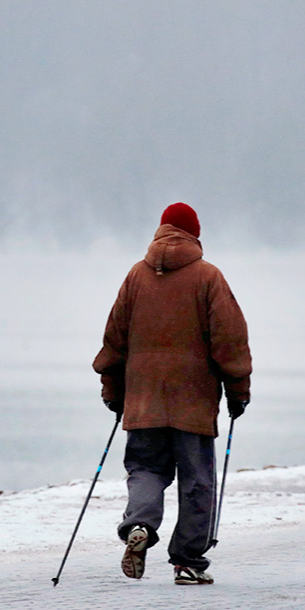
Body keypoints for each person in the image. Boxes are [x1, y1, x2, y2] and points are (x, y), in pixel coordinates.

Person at [93, 203, 252, 586]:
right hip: (192, 399)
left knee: (146, 468)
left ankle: (141, 525)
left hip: (143, 397)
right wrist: (238, 390)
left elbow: (114, 339)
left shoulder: (136, 276)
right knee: (196, 479)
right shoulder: (208, 277)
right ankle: (187, 561)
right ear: (195, 234)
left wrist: (113, 390)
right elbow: (229, 340)